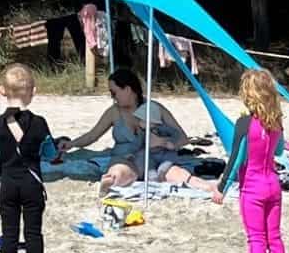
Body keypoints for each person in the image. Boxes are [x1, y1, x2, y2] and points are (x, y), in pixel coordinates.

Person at [58, 68, 217, 198]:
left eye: (114, 93)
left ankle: (209, 188)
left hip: (157, 160)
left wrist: (166, 143)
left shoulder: (153, 109)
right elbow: (93, 135)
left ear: (128, 89)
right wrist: (72, 144)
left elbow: (182, 137)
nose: (113, 97)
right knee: (120, 172)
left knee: (175, 174)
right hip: (126, 160)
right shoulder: (114, 112)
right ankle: (109, 182)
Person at [212, 68, 286, 253]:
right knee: (274, 237)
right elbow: (280, 151)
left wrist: (222, 188)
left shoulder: (244, 123)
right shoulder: (276, 122)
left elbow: (236, 159)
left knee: (256, 238)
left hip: (253, 188)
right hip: (273, 185)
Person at [0, 64, 53, 253]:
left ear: (2, 91)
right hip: (32, 184)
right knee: (33, 232)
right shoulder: (39, 124)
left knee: (9, 233)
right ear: (33, 91)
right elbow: (50, 154)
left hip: (9, 184)